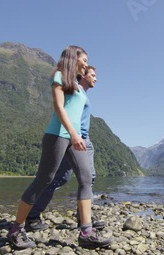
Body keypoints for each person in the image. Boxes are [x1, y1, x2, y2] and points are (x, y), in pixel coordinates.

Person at [7, 46, 112, 249]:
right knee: (44, 180)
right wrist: (73, 134)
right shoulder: (59, 76)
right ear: (74, 58)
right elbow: (59, 106)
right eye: (84, 60)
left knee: (85, 178)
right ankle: (16, 229)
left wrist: (78, 136)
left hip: (75, 138)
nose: (85, 63)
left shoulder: (76, 83)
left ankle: (86, 232)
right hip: (58, 135)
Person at [25, 65, 106, 231]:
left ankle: (33, 216)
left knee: (62, 178)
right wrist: (75, 136)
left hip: (79, 138)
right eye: (92, 75)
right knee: (83, 178)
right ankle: (33, 216)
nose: (95, 78)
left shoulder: (81, 94)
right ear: (82, 75)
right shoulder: (75, 91)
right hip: (76, 138)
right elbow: (62, 107)